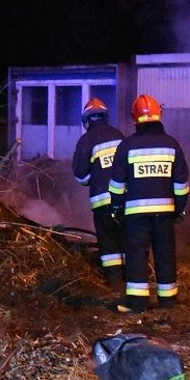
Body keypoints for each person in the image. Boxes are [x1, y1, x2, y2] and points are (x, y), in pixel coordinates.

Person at [107, 94, 190, 313]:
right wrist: (179, 208)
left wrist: (116, 208)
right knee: (165, 253)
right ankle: (168, 300)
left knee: (136, 254)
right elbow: (181, 183)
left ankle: (137, 302)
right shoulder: (172, 145)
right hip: (165, 213)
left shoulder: (127, 145)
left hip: (135, 214)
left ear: (135, 119)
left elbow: (116, 183)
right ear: (158, 116)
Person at [72, 97, 126, 288]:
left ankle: (114, 281)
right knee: (127, 238)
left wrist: (95, 176)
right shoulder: (120, 136)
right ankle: (134, 278)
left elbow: (81, 177)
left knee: (109, 242)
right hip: (126, 200)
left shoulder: (86, 141)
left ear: (86, 121)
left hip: (102, 203)